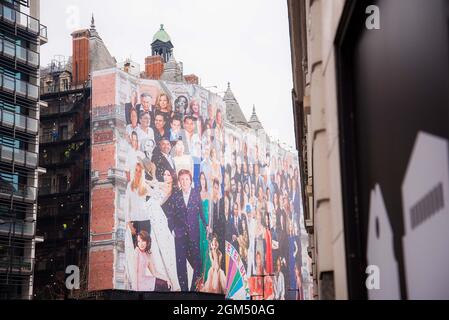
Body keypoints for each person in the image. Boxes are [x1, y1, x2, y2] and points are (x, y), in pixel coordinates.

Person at [162, 169, 207, 291]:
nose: (184, 181)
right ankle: (184, 290)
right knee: (180, 264)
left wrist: (207, 225)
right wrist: (173, 230)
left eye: (187, 179)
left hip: (194, 234)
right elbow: (170, 215)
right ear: (179, 182)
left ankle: (193, 289)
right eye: (182, 179)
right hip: (180, 235)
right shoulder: (175, 196)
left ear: (190, 181)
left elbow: (202, 212)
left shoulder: (196, 194)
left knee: (197, 262)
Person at [144, 169, 181, 291]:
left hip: (157, 216)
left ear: (172, 177)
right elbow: (152, 185)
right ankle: (161, 275)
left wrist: (145, 182)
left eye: (168, 175)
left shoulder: (168, 187)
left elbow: (152, 186)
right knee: (156, 246)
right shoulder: (163, 185)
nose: (165, 176)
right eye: (164, 174)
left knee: (166, 248)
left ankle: (173, 279)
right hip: (153, 214)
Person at [124, 162, 151, 290]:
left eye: (140, 171)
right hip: (135, 222)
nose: (138, 172)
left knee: (146, 251)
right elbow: (126, 206)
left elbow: (156, 196)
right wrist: (129, 224)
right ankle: (136, 282)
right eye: (136, 170)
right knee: (136, 252)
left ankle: (146, 279)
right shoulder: (130, 186)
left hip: (145, 221)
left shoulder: (145, 186)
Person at [199, 172, 211, 282]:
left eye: (204, 179)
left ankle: (207, 275)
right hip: (199, 222)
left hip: (206, 222)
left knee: (206, 245)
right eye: (201, 179)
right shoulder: (196, 194)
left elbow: (210, 212)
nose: (202, 181)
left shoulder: (208, 194)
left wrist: (209, 225)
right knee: (200, 246)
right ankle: (200, 275)